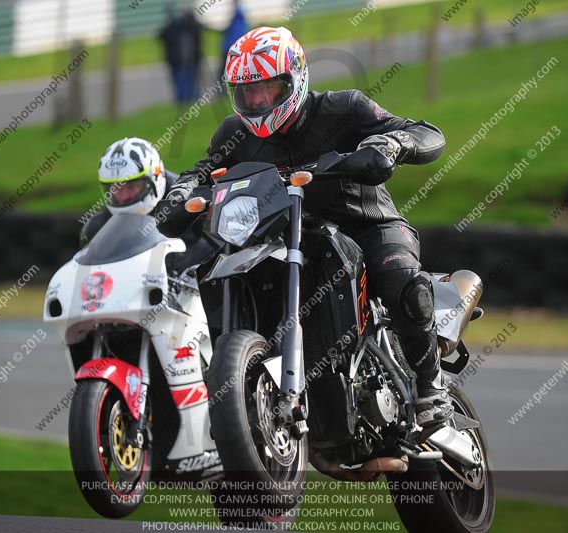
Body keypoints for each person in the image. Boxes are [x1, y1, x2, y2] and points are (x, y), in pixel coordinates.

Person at [161, 26, 451, 430]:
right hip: (280, 238)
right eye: (247, 92)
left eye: (268, 88)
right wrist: (181, 193)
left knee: (400, 276)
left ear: (294, 79)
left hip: (366, 227)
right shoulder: (233, 133)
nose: (257, 100)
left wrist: (391, 144)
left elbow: (428, 133)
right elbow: (204, 171)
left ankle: (429, 387)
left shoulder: (343, 108)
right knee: (224, 271)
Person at [81, 137, 217, 275]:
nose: (123, 196)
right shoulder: (96, 227)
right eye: (115, 188)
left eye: (131, 186)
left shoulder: (190, 201)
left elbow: (222, 248)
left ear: (154, 178)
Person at [158, 6, 204, 103]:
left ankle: (183, 100)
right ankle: (192, 100)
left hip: (178, 60)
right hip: (191, 58)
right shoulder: (194, 26)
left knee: (181, 81)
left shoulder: (172, 28)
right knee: (191, 81)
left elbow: (160, 36)